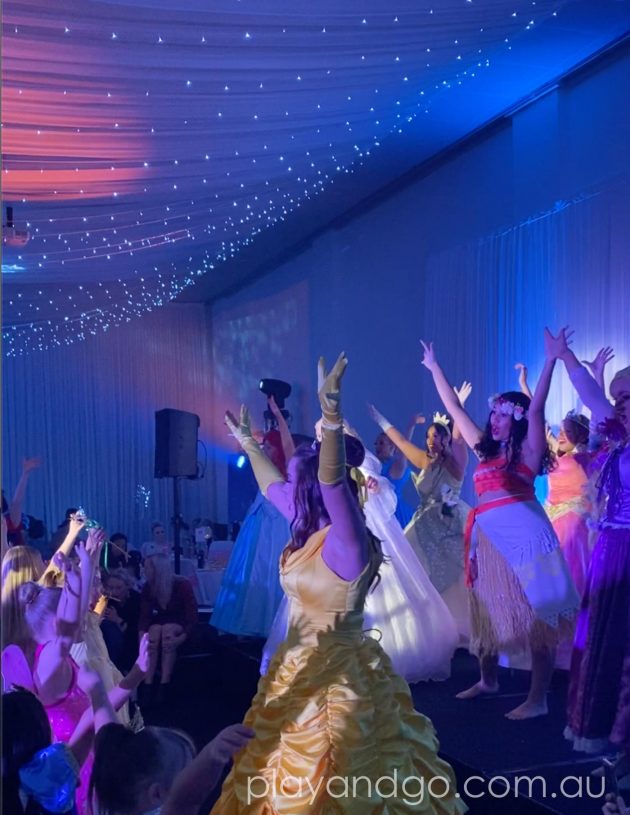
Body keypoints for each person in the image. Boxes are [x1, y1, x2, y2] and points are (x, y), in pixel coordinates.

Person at [214, 353, 465, 814]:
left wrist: (332, 417)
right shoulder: (310, 531)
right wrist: (249, 443)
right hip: (296, 666)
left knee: (342, 775)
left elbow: (331, 484)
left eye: (298, 479)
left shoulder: (347, 539)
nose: (289, 485)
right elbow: (273, 487)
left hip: (340, 680)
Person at [420, 331, 579, 719]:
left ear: (519, 421)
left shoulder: (528, 450)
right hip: (488, 538)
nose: (494, 419)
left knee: (540, 615)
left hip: (526, 537)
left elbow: (538, 408)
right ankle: (488, 679)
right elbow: (455, 409)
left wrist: (551, 361)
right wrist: (433, 367)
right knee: (484, 609)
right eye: (494, 413)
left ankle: (537, 698)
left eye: (504, 415)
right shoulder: (483, 448)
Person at [261, 427, 460, 683]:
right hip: (328, 532)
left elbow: (384, 495)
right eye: (319, 432)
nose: (321, 435)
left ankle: (375, 653)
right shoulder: (317, 466)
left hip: (361, 531)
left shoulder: (355, 462)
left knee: (369, 590)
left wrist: (372, 488)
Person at [552, 334, 630, 771]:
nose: (617, 404)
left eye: (626, 397)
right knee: (604, 640)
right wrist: (564, 357)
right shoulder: (618, 440)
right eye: (616, 397)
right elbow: (588, 393)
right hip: (609, 550)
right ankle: (608, 729)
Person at [369, 385, 472, 643]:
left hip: (450, 521)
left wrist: (457, 407)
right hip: (424, 522)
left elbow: (460, 439)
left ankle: (458, 627)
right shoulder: (425, 461)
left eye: (436, 436)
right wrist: (380, 420)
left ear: (446, 439)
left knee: (454, 573)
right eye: (428, 436)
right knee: (410, 570)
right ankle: (429, 628)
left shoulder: (456, 462)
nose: (430, 441)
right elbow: (402, 443)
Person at [211, 397, 292, 638]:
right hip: (261, 519)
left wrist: (278, 418)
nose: (264, 448)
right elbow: (254, 451)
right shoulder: (263, 468)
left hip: (278, 524)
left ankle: (274, 623)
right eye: (264, 446)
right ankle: (250, 622)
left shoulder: (285, 475)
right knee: (253, 566)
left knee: (271, 567)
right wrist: (241, 434)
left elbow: (286, 449)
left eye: (269, 446)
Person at [90, 722, 253, 815]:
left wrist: (98, 693)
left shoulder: (109, 803)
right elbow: (184, 801)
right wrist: (212, 754)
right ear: (157, 793)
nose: (197, 771)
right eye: (189, 770)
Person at [139, 549, 198, 699]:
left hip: (179, 625)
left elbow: (191, 617)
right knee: (154, 631)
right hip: (158, 625)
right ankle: (148, 682)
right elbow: (144, 618)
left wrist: (181, 638)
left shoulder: (182, 585)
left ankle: (165, 683)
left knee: (167, 631)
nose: (143, 570)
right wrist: (142, 642)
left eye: (146, 567)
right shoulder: (147, 588)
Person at [100, 569, 142, 674]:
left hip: (132, 641)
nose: (114, 592)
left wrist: (117, 620)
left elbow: (136, 629)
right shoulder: (106, 600)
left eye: (118, 588)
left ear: (127, 586)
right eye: (110, 588)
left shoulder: (136, 600)